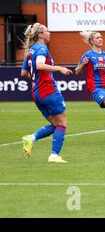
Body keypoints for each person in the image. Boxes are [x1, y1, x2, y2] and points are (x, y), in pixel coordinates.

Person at [20, 23, 73, 163]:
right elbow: (39, 65)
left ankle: (30, 138)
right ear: (41, 34)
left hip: (36, 92)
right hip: (48, 90)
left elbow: (23, 72)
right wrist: (60, 68)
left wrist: (37, 80)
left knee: (56, 125)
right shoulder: (42, 48)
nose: (49, 33)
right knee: (62, 124)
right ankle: (54, 156)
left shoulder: (31, 50)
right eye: (47, 31)